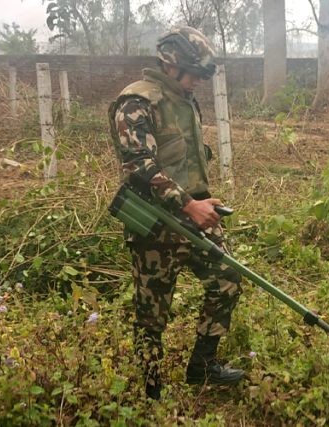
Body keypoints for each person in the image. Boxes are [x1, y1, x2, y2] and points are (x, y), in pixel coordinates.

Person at [108, 26, 244, 401]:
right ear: (172, 64)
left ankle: (203, 366)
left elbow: (185, 160)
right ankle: (150, 390)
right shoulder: (136, 102)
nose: (198, 81)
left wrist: (202, 200)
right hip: (155, 223)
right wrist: (188, 204)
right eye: (195, 73)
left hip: (193, 214)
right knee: (151, 314)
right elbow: (139, 165)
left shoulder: (184, 100)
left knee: (228, 279)